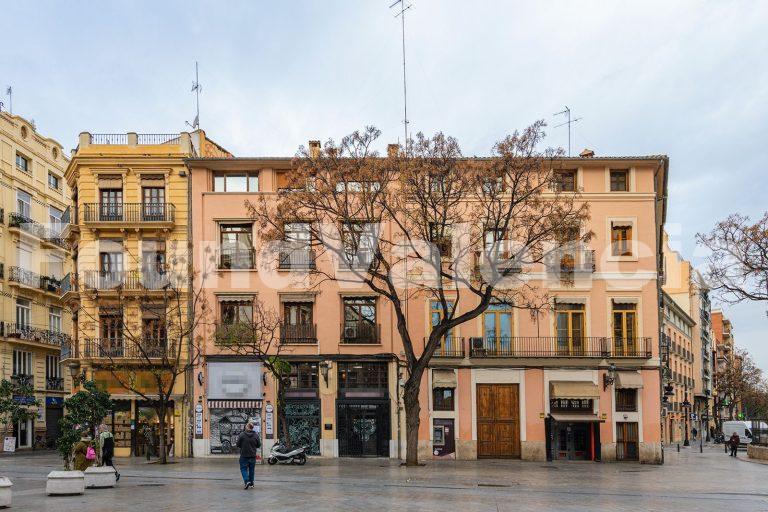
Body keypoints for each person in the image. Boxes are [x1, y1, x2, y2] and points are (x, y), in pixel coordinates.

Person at [236, 423, 261, 490]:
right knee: (251, 470)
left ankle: (247, 481)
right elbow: (259, 445)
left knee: (243, 469)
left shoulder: (242, 435)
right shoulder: (256, 435)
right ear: (252, 428)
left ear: (247, 427)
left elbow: (238, 444)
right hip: (252, 455)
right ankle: (252, 483)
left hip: (244, 455)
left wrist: (243, 446)